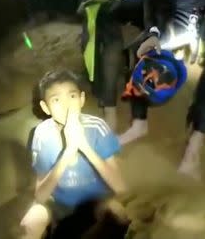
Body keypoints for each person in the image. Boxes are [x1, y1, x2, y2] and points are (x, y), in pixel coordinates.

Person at [124, 0, 205, 180]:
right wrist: (153, 33)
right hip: (178, 10)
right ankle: (139, 124)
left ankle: (194, 149)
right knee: (141, 48)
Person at [19, 70, 127, 239]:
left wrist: (83, 146)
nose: (66, 105)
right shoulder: (42, 134)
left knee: (118, 214)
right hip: (59, 203)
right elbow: (40, 195)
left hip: (97, 200)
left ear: (82, 99)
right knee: (30, 223)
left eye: (72, 96)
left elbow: (120, 186)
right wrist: (69, 151)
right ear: (45, 107)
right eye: (56, 99)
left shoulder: (97, 127)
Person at [118, 49, 188, 145]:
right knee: (138, 84)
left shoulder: (164, 86)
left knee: (141, 87)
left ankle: (139, 124)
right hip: (155, 59)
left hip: (161, 87)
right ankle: (138, 122)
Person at [77, 0, 125, 131]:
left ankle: (108, 106)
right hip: (102, 9)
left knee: (104, 51)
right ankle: (106, 103)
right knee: (95, 51)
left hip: (104, 9)